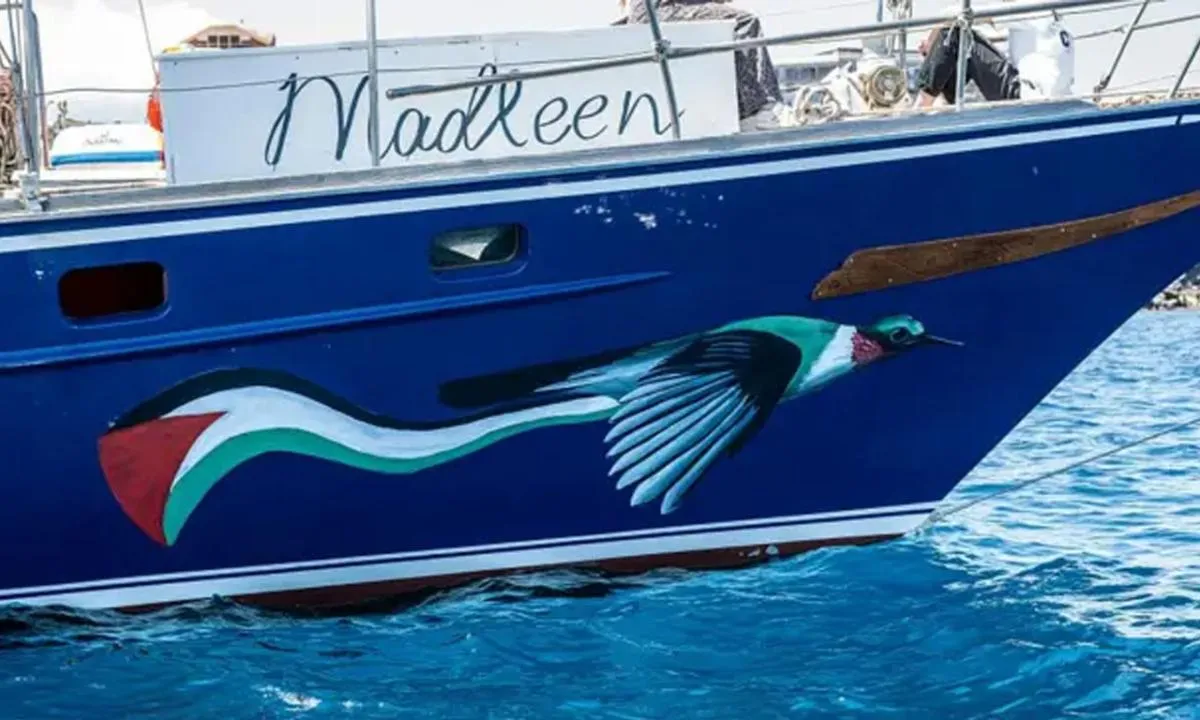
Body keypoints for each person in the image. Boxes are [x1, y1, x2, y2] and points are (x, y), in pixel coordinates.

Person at [616, 0, 789, 131]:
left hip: (650, 12)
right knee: (744, 22)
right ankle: (761, 110)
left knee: (727, 24)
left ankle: (747, 110)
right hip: (656, 11)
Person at [914, 19, 1021, 107]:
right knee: (959, 47)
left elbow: (962, 14)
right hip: (1017, 86)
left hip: (1019, 90)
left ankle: (922, 106)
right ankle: (941, 103)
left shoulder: (1021, 7)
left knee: (955, 34)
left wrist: (932, 40)